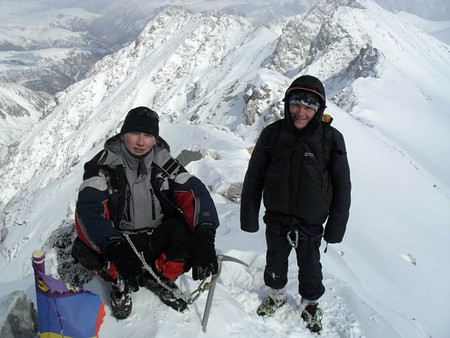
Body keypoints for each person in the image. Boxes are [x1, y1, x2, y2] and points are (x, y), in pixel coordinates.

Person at [72, 106, 220, 319]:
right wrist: (115, 246)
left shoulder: (165, 164)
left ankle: (159, 277)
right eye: (135, 134)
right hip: (120, 239)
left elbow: (194, 192)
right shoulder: (103, 166)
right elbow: (88, 210)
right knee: (86, 249)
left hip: (154, 236)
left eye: (148, 135)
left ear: (155, 138)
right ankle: (119, 281)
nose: (141, 142)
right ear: (123, 135)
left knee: (189, 236)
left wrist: (206, 234)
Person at [240, 75, 351, 333]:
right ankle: (277, 294)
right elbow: (254, 177)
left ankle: (310, 302)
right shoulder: (272, 134)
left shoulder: (330, 139)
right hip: (277, 216)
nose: (301, 112)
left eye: (309, 106)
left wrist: (336, 228)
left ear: (319, 109)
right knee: (275, 261)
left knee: (310, 266)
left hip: (311, 220)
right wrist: (249, 216)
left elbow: (342, 186)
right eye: (296, 104)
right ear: (288, 104)